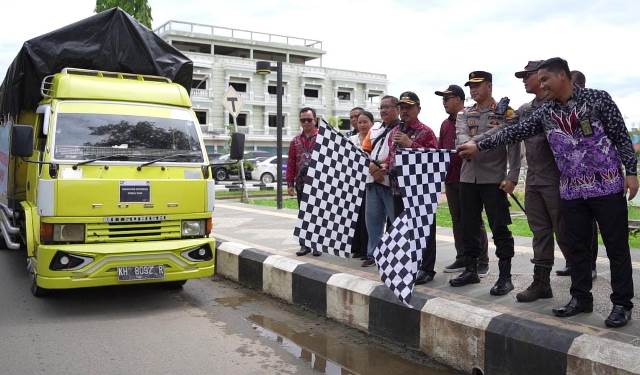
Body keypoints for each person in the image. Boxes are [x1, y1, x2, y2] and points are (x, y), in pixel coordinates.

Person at [458, 57, 638, 328]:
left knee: (616, 247)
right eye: (539, 81)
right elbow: (514, 132)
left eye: (545, 80)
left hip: (607, 184)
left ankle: (622, 304)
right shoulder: (545, 112)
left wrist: (632, 172)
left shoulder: (598, 99)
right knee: (575, 246)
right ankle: (580, 298)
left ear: (562, 76)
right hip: (571, 189)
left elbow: (621, 136)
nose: (541, 85)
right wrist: (478, 145)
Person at [449, 71, 521, 296]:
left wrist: (512, 177)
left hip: (494, 178)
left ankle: (505, 276)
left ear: (489, 86)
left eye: (478, 85)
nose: (473, 90)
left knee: (499, 227)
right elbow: (459, 136)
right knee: (468, 226)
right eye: (470, 86)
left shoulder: (506, 113)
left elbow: (514, 146)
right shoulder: (464, 113)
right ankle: (470, 269)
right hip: (468, 177)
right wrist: (468, 146)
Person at [511, 61, 572, 302]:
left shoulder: (557, 104)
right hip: (534, 180)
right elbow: (508, 131)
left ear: (541, 77)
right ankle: (541, 283)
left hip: (557, 180)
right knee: (540, 232)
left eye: (527, 76)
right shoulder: (525, 109)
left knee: (565, 231)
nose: (524, 80)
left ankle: (580, 283)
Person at [434, 85, 490, 274]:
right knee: (457, 219)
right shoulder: (444, 124)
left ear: (459, 99)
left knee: (473, 220)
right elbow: (441, 150)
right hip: (451, 178)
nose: (444, 102)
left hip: (468, 177)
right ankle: (462, 257)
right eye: (443, 99)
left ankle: (482, 260)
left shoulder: (469, 117)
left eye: (447, 98)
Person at [386, 91, 438, 284]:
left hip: (420, 190)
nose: (404, 111)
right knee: (403, 230)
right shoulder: (394, 131)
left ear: (418, 109)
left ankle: (427, 268)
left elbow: (434, 159)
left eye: (409, 107)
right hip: (398, 188)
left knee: (424, 229)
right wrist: (385, 166)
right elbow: (392, 156)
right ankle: (408, 264)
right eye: (401, 107)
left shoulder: (426, 131)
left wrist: (411, 144)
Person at [557, 69, 598, 281]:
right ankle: (572, 262)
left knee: (589, 227)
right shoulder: (561, 109)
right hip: (570, 179)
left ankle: (590, 265)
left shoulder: (589, 106)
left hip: (592, 178)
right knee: (571, 227)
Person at [361, 96, 400, 267]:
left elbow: (398, 153)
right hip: (372, 179)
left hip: (390, 181)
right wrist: (372, 167)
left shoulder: (401, 128)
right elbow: (365, 150)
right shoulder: (375, 128)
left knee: (395, 221)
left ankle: (397, 255)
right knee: (373, 221)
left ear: (397, 109)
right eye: (381, 107)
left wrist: (381, 169)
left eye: (387, 107)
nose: (383, 110)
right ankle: (373, 254)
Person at [287, 107, 321, 257]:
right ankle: (304, 245)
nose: (306, 122)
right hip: (302, 184)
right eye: (303, 120)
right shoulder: (295, 141)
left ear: (315, 120)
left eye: (309, 119)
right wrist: (289, 184)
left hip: (320, 183)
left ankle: (317, 245)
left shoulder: (323, 138)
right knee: (304, 214)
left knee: (318, 215)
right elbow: (291, 163)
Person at [349, 111, 374, 259]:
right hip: (354, 183)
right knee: (356, 218)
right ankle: (357, 248)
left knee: (369, 219)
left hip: (371, 182)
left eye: (365, 122)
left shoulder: (376, 138)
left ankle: (368, 250)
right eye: (360, 122)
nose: (362, 125)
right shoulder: (351, 139)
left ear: (371, 123)